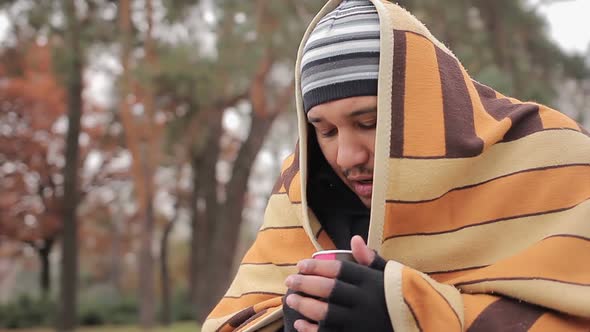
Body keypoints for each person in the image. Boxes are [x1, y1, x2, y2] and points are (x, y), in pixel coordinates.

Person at [203, 0, 590, 331]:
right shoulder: (301, 196)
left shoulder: (554, 159)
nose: (346, 157)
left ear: (429, 109)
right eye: (325, 131)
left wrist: (413, 315)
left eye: (368, 123)